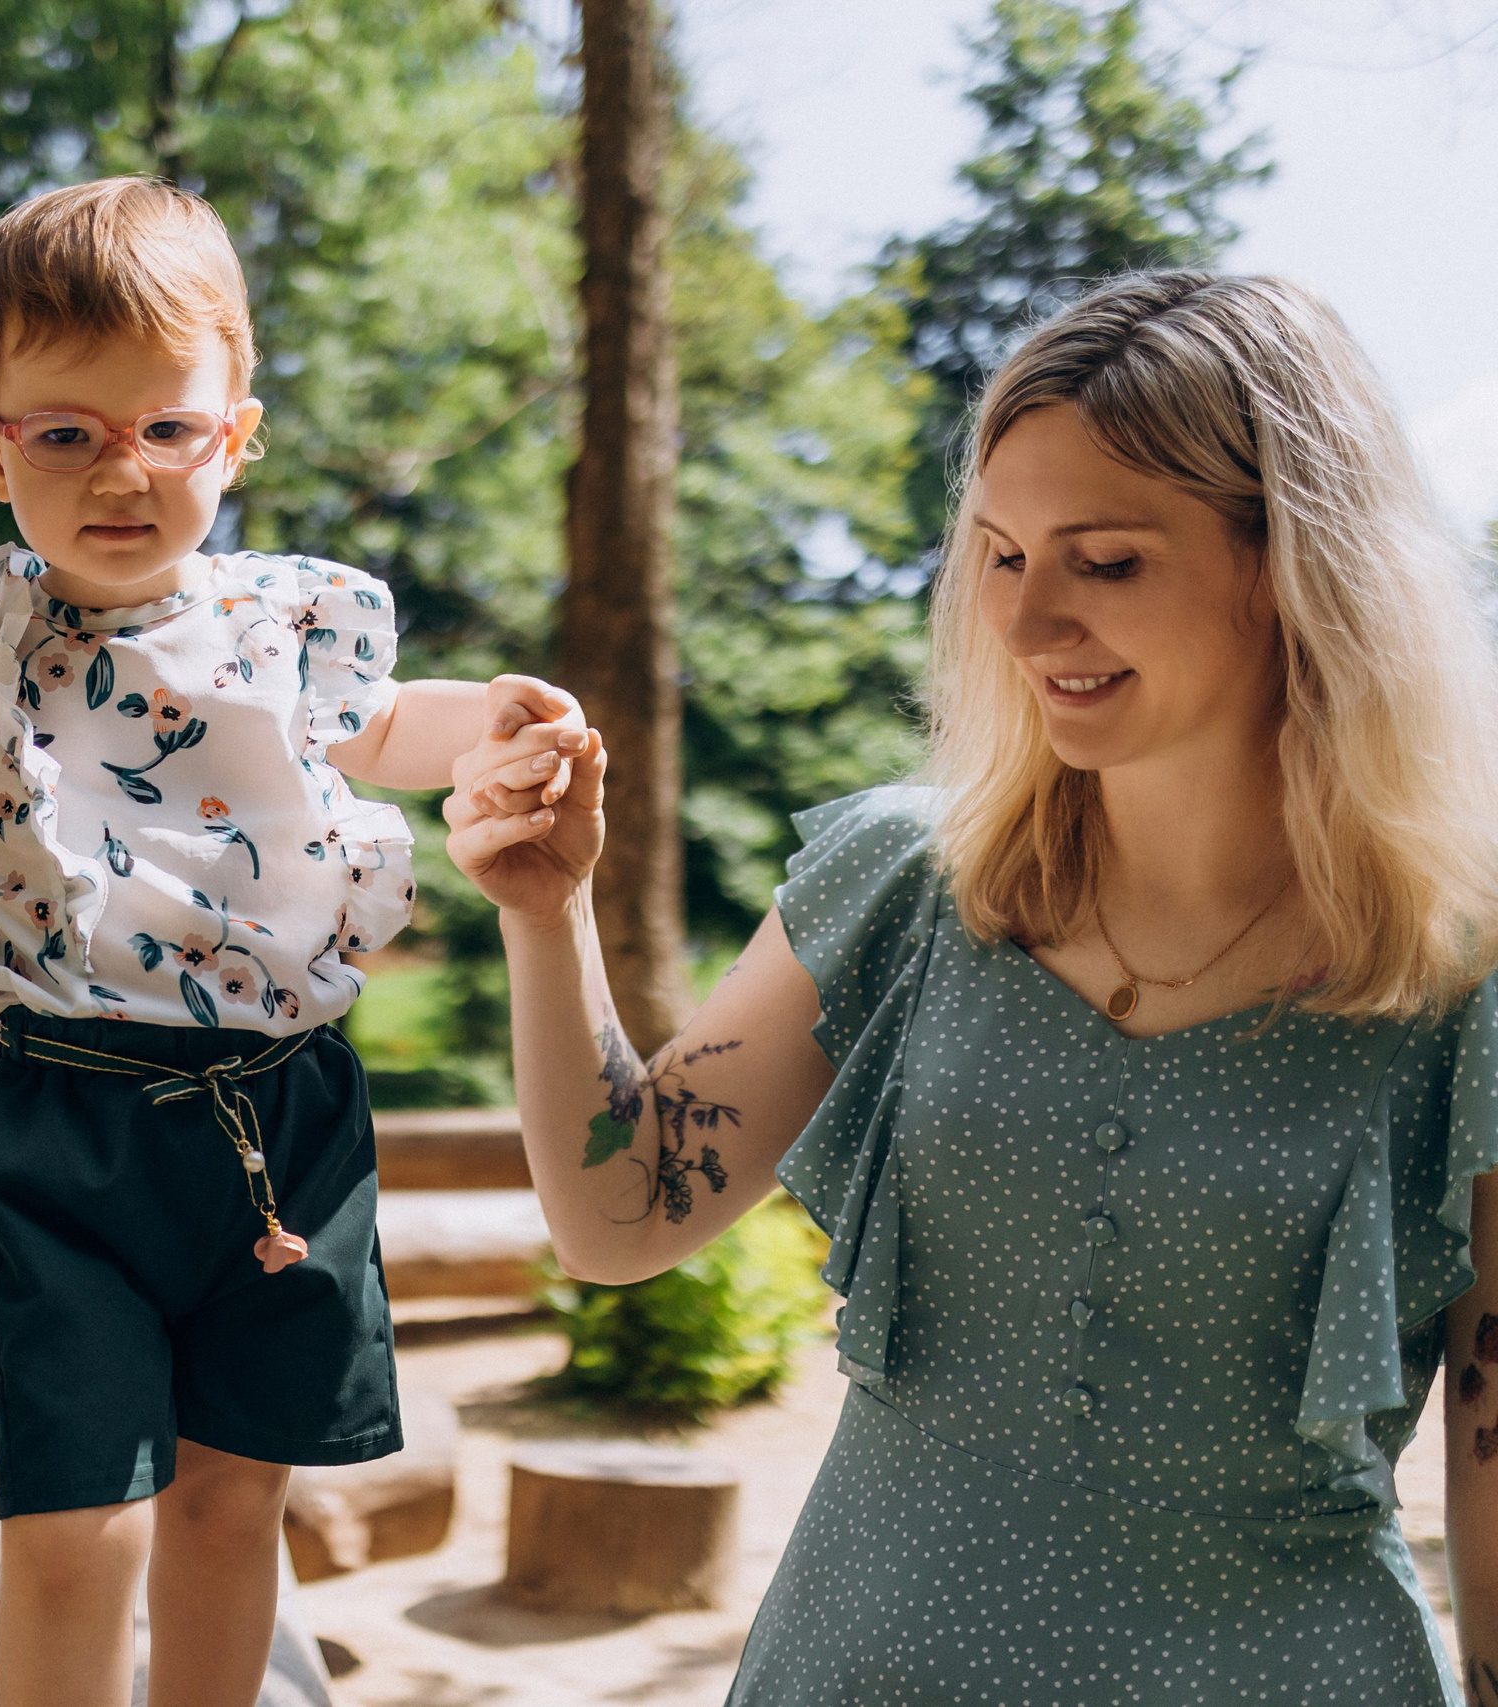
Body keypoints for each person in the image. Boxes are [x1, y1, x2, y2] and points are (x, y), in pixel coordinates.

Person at [445, 271, 1498, 1702]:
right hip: (862, 1669)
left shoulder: (1465, 984)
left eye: (1105, 562)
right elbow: (620, 1212)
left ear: (1293, 565)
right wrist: (547, 914)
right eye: (1000, 556)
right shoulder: (904, 882)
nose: (1027, 619)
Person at [0, 176, 581, 1707]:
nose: (119, 471)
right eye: (65, 432)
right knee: (74, 1519)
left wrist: (507, 723)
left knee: (231, 1501)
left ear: (238, 436)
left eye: (167, 427)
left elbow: (395, 729)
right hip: (63, 1126)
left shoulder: (295, 624)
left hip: (281, 1115)